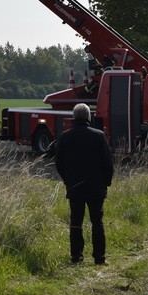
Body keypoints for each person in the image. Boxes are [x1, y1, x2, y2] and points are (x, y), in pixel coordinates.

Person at [54, 103, 114, 265]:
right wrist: (106, 183)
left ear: (74, 117)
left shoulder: (65, 137)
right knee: (97, 222)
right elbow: (108, 164)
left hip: (75, 187)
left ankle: (76, 256)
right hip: (96, 187)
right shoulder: (99, 135)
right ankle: (99, 258)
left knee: (76, 222)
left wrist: (67, 179)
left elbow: (58, 163)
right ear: (89, 117)